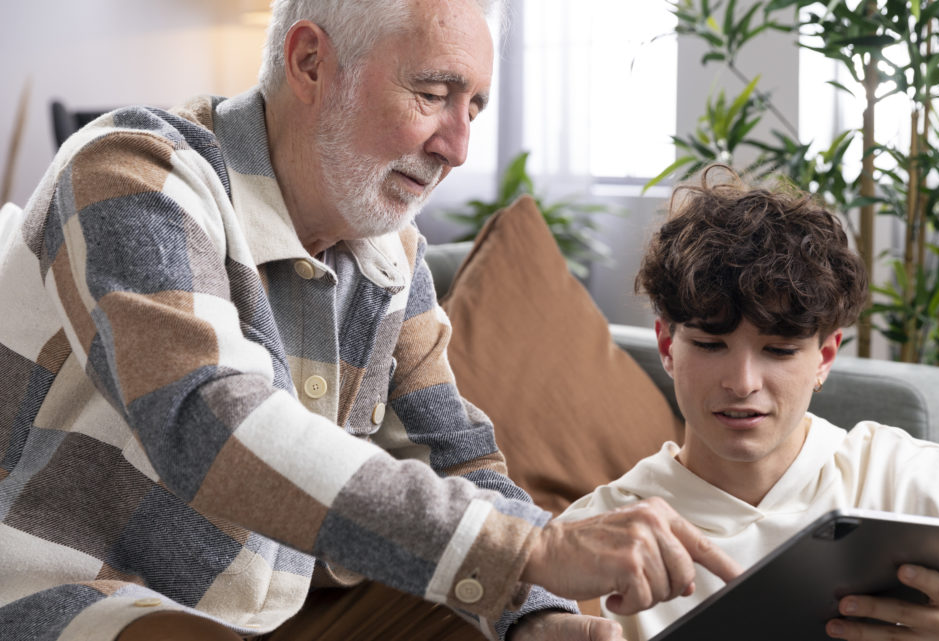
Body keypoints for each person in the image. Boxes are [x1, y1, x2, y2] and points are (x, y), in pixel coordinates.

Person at [0, 2, 740, 640]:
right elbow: (209, 422)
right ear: (312, 62)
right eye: (432, 93)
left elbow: (462, 462)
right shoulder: (133, 173)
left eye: (473, 105)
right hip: (62, 594)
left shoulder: (390, 256)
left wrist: (537, 611)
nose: (458, 146)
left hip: (269, 616)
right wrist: (527, 550)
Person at [557, 164, 939, 641]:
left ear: (825, 356)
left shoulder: (918, 484)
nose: (742, 382)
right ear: (666, 346)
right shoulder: (594, 537)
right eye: (710, 345)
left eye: (779, 351)